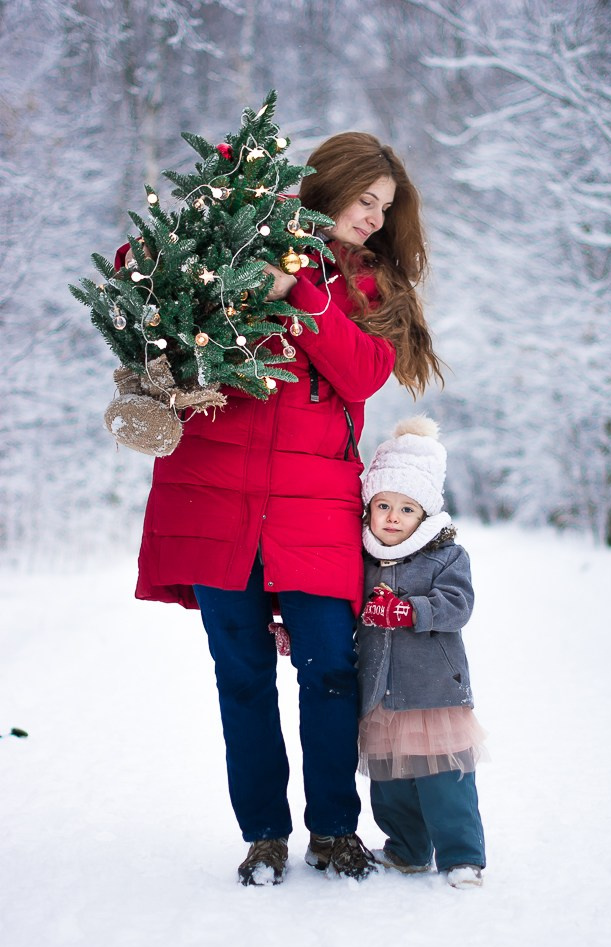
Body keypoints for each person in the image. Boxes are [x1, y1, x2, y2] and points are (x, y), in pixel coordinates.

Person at [132, 132, 444, 885]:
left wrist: (300, 292)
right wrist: (147, 276)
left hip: (313, 505)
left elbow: (363, 373)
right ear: (328, 183)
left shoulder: (366, 284)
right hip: (213, 492)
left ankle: (334, 829)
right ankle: (263, 834)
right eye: (364, 200)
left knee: (330, 668)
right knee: (239, 672)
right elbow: (161, 307)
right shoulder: (233, 243)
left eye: (383, 209)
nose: (371, 218)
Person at [357, 416, 487, 888]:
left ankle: (462, 857)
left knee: (444, 782)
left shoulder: (446, 556)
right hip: (381, 691)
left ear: (426, 515)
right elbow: (341, 607)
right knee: (390, 784)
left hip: (434, 691)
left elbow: (459, 605)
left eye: (406, 509)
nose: (392, 517)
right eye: (383, 505)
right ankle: (405, 849)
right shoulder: (362, 558)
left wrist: (409, 611)